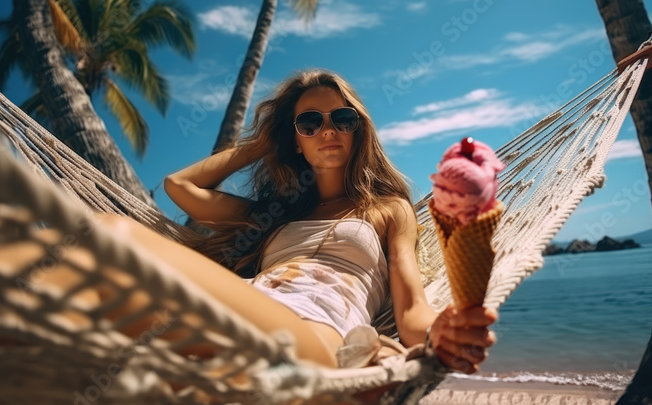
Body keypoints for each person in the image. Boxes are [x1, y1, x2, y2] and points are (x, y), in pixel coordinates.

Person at [93, 70, 496, 373]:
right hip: (245, 302)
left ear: (359, 129)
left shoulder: (389, 209)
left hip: (319, 324)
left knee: (265, 364)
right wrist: (263, 142)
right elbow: (179, 186)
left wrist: (439, 331)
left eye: (342, 118)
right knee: (112, 234)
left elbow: (411, 311)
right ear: (295, 141)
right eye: (309, 123)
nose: (327, 130)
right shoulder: (274, 215)